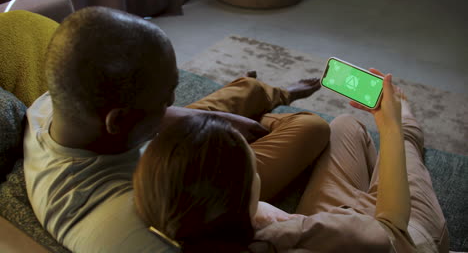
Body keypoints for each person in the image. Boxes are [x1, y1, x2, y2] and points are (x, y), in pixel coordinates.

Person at [23, 7, 330, 252]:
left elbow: (160, 114)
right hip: (182, 176)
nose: (173, 101)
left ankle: (265, 92)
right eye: (166, 95)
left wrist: (224, 121)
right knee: (311, 126)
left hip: (145, 141)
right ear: (117, 121)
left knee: (243, 94)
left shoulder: (51, 105)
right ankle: (261, 98)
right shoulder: (120, 226)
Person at [133, 72, 449, 253]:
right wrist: (391, 123)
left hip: (338, 221)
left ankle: (377, 179)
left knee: (344, 126)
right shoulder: (282, 236)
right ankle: (407, 122)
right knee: (401, 144)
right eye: (251, 166)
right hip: (399, 239)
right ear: (246, 198)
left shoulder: (180, 225)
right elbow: (390, 229)